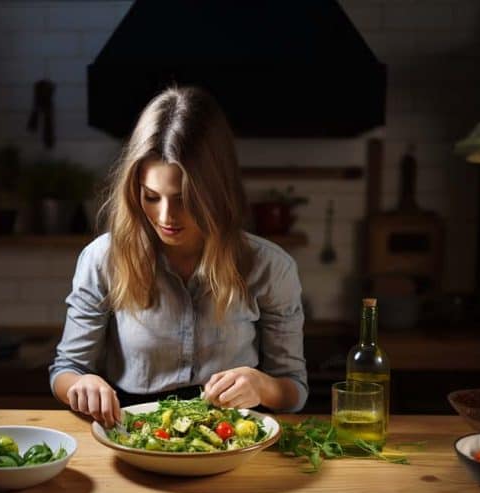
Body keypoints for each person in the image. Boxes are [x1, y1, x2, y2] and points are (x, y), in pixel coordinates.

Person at [49, 86, 308, 426]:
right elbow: (66, 369)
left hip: (233, 435)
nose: (166, 216)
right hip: (133, 431)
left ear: (216, 192)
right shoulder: (102, 259)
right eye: (151, 196)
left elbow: (294, 390)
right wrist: (81, 385)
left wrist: (263, 387)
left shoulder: (271, 267)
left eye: (185, 198)